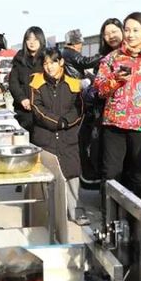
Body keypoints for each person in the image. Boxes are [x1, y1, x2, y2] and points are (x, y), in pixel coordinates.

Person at [94, 12, 141, 207]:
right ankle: (111, 221)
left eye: (135, 30)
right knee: (111, 174)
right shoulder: (112, 58)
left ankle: (139, 224)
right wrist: (115, 80)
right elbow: (99, 89)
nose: (130, 34)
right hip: (113, 124)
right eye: (127, 30)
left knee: (140, 176)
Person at [30, 47, 85, 222]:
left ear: (60, 62)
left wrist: (66, 122)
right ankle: (47, 213)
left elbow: (79, 108)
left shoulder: (73, 83)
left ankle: (75, 210)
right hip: (45, 136)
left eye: (53, 62)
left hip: (68, 136)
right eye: (45, 63)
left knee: (72, 172)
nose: (49, 66)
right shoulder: (36, 83)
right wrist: (57, 122)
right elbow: (37, 109)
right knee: (47, 175)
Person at [80, 18, 124, 190]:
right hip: (107, 117)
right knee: (109, 164)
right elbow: (99, 89)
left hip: (132, 120)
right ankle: (109, 206)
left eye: (114, 31)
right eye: (106, 34)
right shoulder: (103, 60)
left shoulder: (135, 57)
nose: (111, 36)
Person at [8, 26, 46, 131]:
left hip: (43, 110)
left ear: (41, 40)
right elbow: (13, 82)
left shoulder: (46, 59)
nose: (32, 42)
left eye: (35, 39)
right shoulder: (19, 58)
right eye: (28, 39)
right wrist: (22, 99)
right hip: (23, 111)